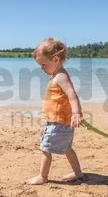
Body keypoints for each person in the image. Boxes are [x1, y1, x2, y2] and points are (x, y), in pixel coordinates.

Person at [26, 38, 85, 185]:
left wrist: (77, 112)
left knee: (46, 149)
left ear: (56, 59)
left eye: (43, 64)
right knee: (67, 149)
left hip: (59, 123)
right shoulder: (58, 75)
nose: (42, 68)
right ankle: (78, 173)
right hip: (60, 122)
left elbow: (72, 94)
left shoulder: (61, 76)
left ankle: (43, 176)